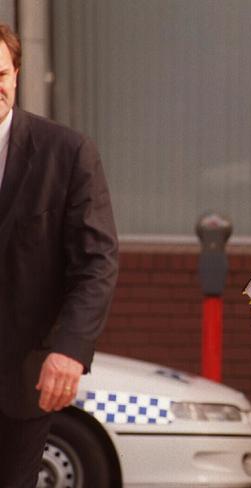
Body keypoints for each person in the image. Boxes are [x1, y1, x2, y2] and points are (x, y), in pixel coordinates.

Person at [0, 24, 118, 487]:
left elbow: (96, 263)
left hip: (23, 375)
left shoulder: (66, 153)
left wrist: (69, 350)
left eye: (2, 73)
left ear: (16, 74)